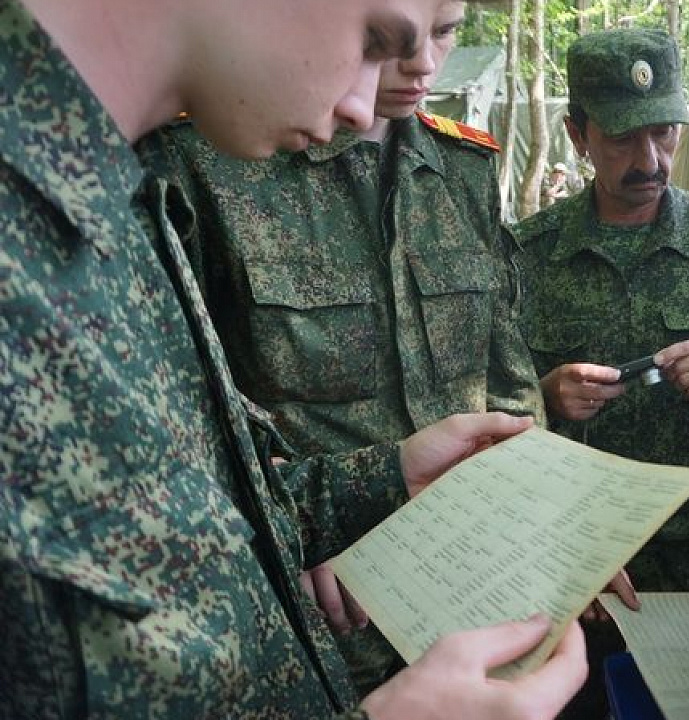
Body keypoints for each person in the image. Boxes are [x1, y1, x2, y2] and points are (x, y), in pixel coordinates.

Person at [0, 0, 589, 717]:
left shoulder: (112, 202)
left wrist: (377, 482)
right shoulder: (121, 190)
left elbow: (193, 517)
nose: (364, 103)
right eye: (375, 41)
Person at [146, 1, 549, 693]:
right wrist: (293, 533)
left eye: (446, 33)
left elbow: (506, 373)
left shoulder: (466, 167)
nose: (422, 61)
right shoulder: (210, 161)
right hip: (324, 604)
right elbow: (190, 409)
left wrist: (548, 518)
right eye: (389, 36)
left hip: (474, 576)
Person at [510, 27, 689, 719]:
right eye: (623, 139)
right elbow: (490, 414)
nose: (650, 159)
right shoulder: (527, 258)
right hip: (562, 562)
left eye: (664, 133)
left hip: (688, 565)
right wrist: (544, 396)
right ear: (578, 134)